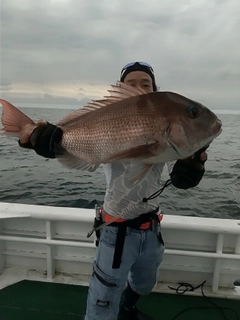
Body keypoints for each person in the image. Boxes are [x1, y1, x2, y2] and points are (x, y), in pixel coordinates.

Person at [19, 62, 207, 320]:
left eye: (146, 84)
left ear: (155, 91)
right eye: (130, 84)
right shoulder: (111, 119)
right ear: (120, 90)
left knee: (145, 283)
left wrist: (191, 168)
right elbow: (75, 144)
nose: (139, 88)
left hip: (152, 227)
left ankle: (128, 308)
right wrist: (43, 138)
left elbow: (180, 175)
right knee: (103, 300)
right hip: (116, 231)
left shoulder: (167, 131)